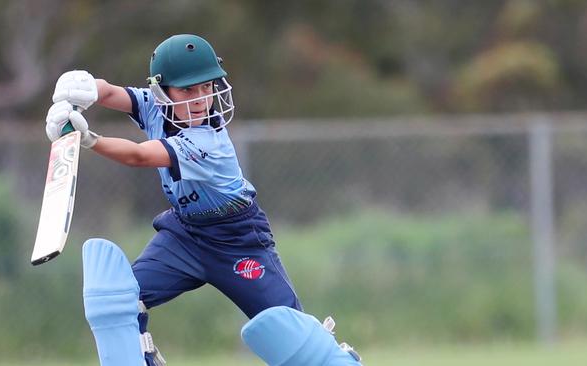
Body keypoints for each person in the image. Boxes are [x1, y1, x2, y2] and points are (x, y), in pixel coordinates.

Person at [46, 34, 360, 366]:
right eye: (187, 90)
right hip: (184, 235)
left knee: (291, 336)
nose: (199, 99)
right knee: (118, 301)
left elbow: (138, 156)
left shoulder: (209, 141)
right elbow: (109, 93)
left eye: (206, 88)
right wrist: (81, 88)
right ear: (161, 91)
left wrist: (89, 139)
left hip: (237, 239)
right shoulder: (153, 105)